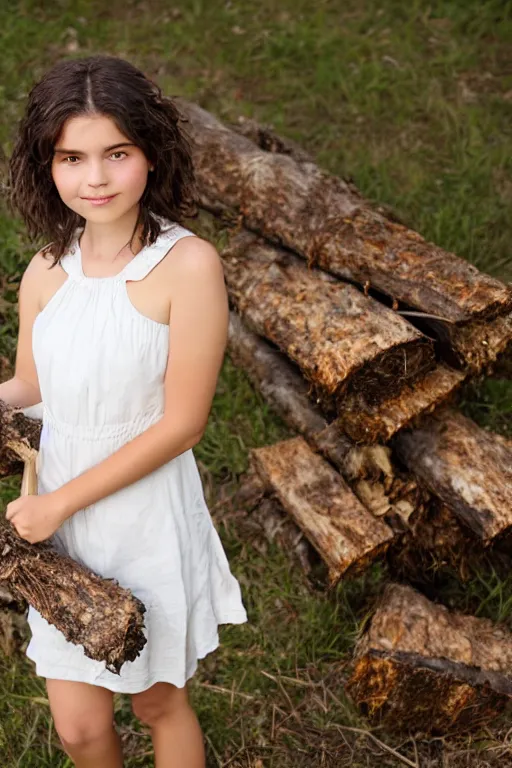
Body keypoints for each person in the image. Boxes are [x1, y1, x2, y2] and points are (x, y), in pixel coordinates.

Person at [0, 55, 248, 768]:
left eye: (117, 153)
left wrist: (58, 504)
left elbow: (183, 424)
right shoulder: (48, 269)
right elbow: (28, 383)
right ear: (47, 165)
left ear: (151, 154)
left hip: (142, 512)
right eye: (72, 158)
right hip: (60, 523)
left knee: (156, 701)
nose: (96, 178)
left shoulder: (187, 265)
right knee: (78, 726)